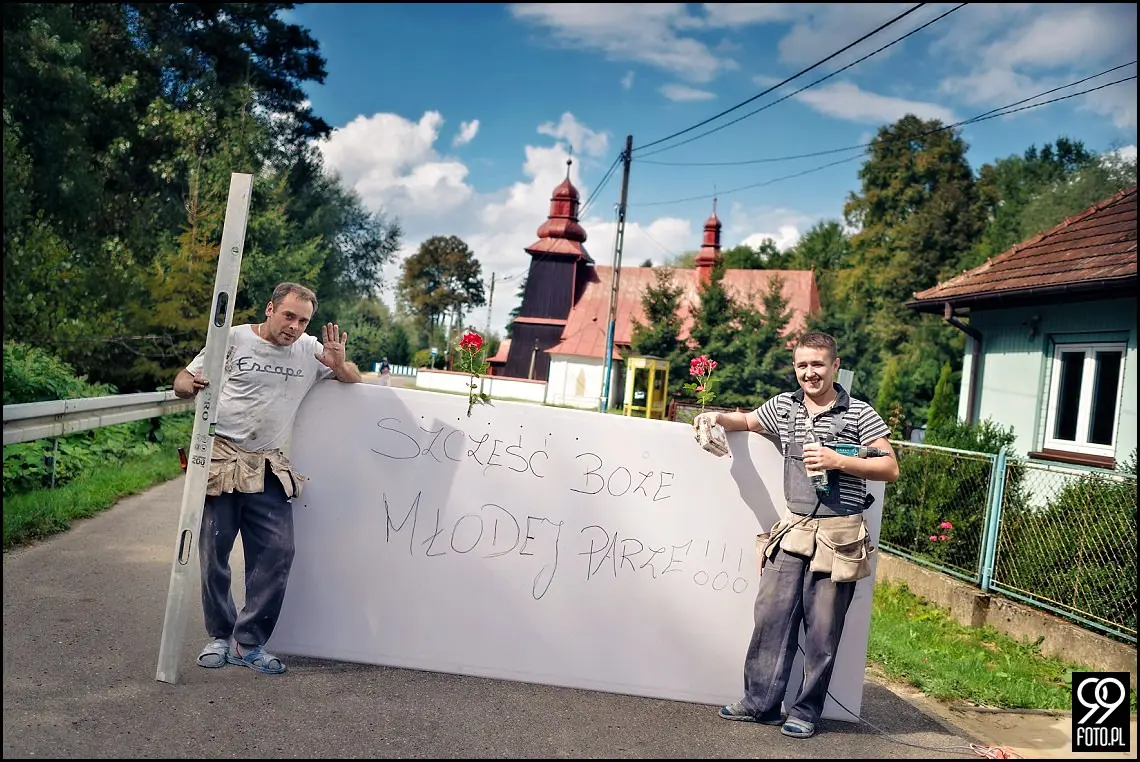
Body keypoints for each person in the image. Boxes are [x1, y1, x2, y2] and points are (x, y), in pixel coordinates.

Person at [692, 331, 899, 739]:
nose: (810, 372)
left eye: (818, 364)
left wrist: (840, 460)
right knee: (771, 619)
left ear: (835, 366)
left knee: (822, 631)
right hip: (793, 530)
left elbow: (890, 467)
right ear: (795, 368)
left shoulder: (860, 413)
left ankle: (805, 710)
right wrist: (713, 417)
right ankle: (760, 703)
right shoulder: (784, 406)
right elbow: (748, 420)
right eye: (803, 365)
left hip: (840, 536)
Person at [173, 282, 362, 675]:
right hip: (221, 461)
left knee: (278, 552)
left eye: (303, 320)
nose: (294, 326)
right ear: (270, 309)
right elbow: (182, 380)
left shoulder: (311, 351)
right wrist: (189, 388)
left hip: (268, 466)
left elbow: (352, 379)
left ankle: (249, 643)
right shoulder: (234, 339)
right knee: (215, 555)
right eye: (288, 316)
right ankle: (219, 636)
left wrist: (338, 362)